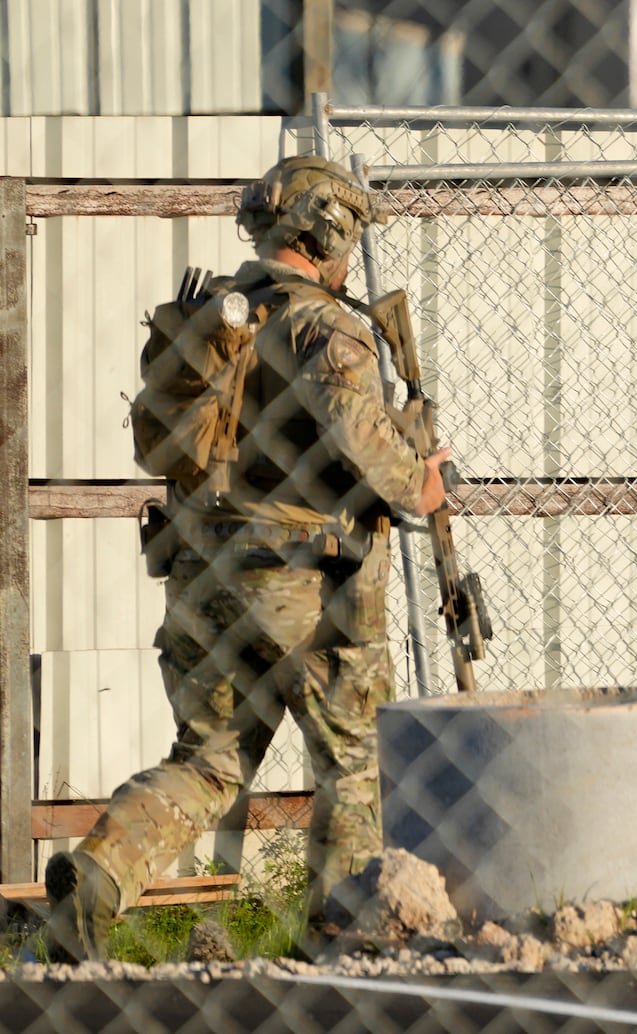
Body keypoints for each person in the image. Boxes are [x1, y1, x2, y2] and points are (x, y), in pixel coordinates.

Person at [44, 155, 451, 962]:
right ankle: (343, 940)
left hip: (204, 577)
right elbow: (362, 444)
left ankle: (96, 880)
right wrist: (422, 485)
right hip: (308, 588)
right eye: (348, 233)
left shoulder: (220, 320)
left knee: (205, 763)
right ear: (326, 229)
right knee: (352, 759)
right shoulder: (325, 327)